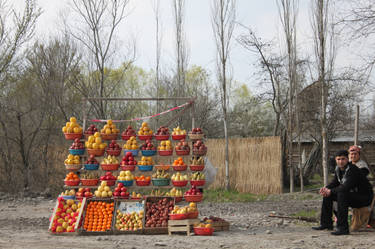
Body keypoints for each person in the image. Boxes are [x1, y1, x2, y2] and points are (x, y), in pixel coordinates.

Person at [312, 150, 374, 235]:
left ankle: (343, 228)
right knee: (328, 195)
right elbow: (335, 183)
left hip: (364, 198)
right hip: (351, 195)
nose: (340, 161)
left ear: (347, 159)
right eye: (338, 159)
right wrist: (325, 189)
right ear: (336, 160)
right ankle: (326, 223)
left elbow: (345, 187)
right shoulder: (338, 169)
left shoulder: (353, 170)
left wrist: (330, 191)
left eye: (343, 159)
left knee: (341, 194)